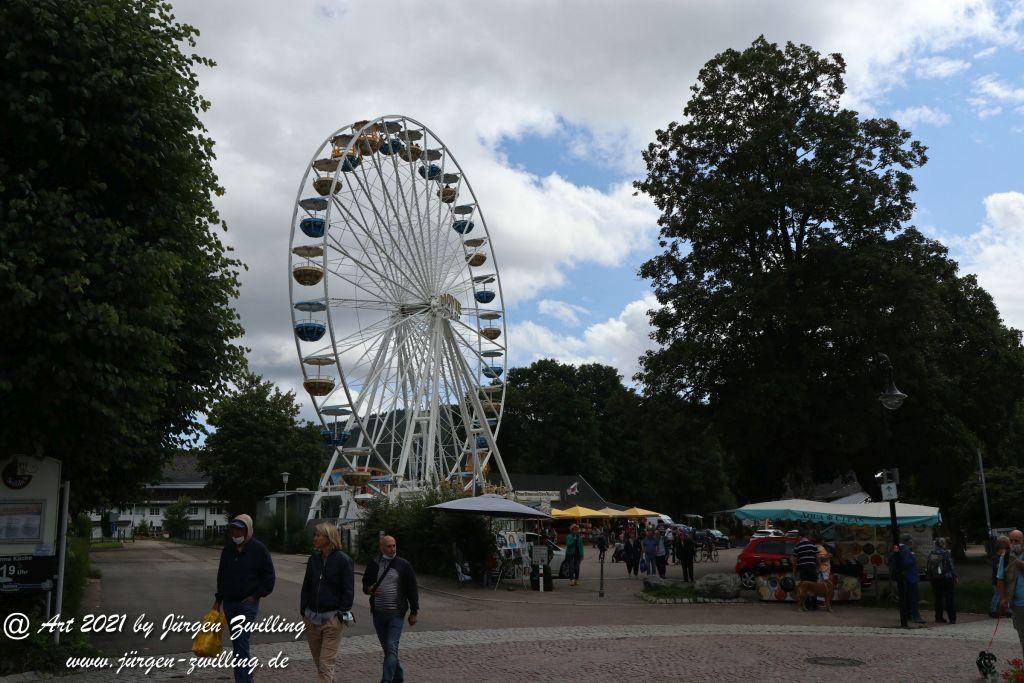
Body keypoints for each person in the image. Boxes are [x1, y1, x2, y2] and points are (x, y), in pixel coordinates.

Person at [212, 514, 275, 683]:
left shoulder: (259, 550)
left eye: (240, 529)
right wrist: (218, 601)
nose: (236, 532)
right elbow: (222, 576)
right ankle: (244, 677)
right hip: (229, 604)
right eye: (234, 529)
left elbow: (269, 578)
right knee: (237, 643)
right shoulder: (228, 549)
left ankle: (244, 680)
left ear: (248, 530)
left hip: (247, 604)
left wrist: (256, 596)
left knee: (241, 642)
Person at [300, 523, 355, 683]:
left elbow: (348, 590)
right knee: (321, 665)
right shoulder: (313, 560)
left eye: (318, 535)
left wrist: (340, 614)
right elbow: (306, 587)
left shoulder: (343, 560)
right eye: (315, 535)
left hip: (332, 620)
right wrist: (304, 610)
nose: (315, 538)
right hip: (312, 618)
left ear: (329, 538)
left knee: (326, 664)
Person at [362, 535, 419, 683]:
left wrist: (414, 611)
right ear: (381, 547)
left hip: (396, 613)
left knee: (391, 646)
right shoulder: (374, 564)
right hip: (379, 614)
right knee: (388, 650)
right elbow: (365, 584)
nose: (392, 548)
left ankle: (386, 680)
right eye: (389, 546)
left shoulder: (403, 565)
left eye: (394, 545)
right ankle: (398, 677)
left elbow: (412, 589)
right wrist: (369, 589)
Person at [997, 529, 1024, 656]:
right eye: (1011, 541)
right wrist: (1002, 598)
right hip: (1017, 603)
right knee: (1022, 634)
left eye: (1017, 540)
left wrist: (1018, 562)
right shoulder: (1006, 556)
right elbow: (1000, 578)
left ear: (1023, 541)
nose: (1014, 543)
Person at [890, 533, 926, 627]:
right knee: (913, 597)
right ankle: (915, 615)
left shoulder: (896, 548)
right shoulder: (905, 549)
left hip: (902, 576)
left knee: (906, 596)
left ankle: (907, 614)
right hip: (909, 576)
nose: (912, 542)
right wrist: (913, 558)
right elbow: (906, 563)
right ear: (908, 541)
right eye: (911, 540)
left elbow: (892, 559)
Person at [925, 537, 958, 624]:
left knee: (938, 598)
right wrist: (955, 576)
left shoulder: (932, 553)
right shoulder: (945, 553)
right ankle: (952, 618)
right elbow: (950, 566)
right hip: (946, 578)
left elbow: (928, 566)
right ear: (943, 544)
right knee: (949, 598)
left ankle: (938, 617)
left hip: (935, 578)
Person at [793, 531, 819, 611]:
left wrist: (795, 570)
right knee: (814, 586)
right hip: (812, 567)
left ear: (800, 537)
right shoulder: (812, 545)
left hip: (803, 568)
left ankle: (806, 605)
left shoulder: (797, 546)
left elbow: (795, 560)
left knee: (805, 587)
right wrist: (818, 567)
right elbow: (817, 557)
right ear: (807, 537)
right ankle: (814, 605)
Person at [992, 535, 1012, 618]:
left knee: (1006, 594)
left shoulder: (1004, 556)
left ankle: (1007, 610)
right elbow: (998, 571)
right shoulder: (997, 558)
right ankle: (993, 610)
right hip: (997, 581)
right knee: (997, 595)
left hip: (1004, 581)